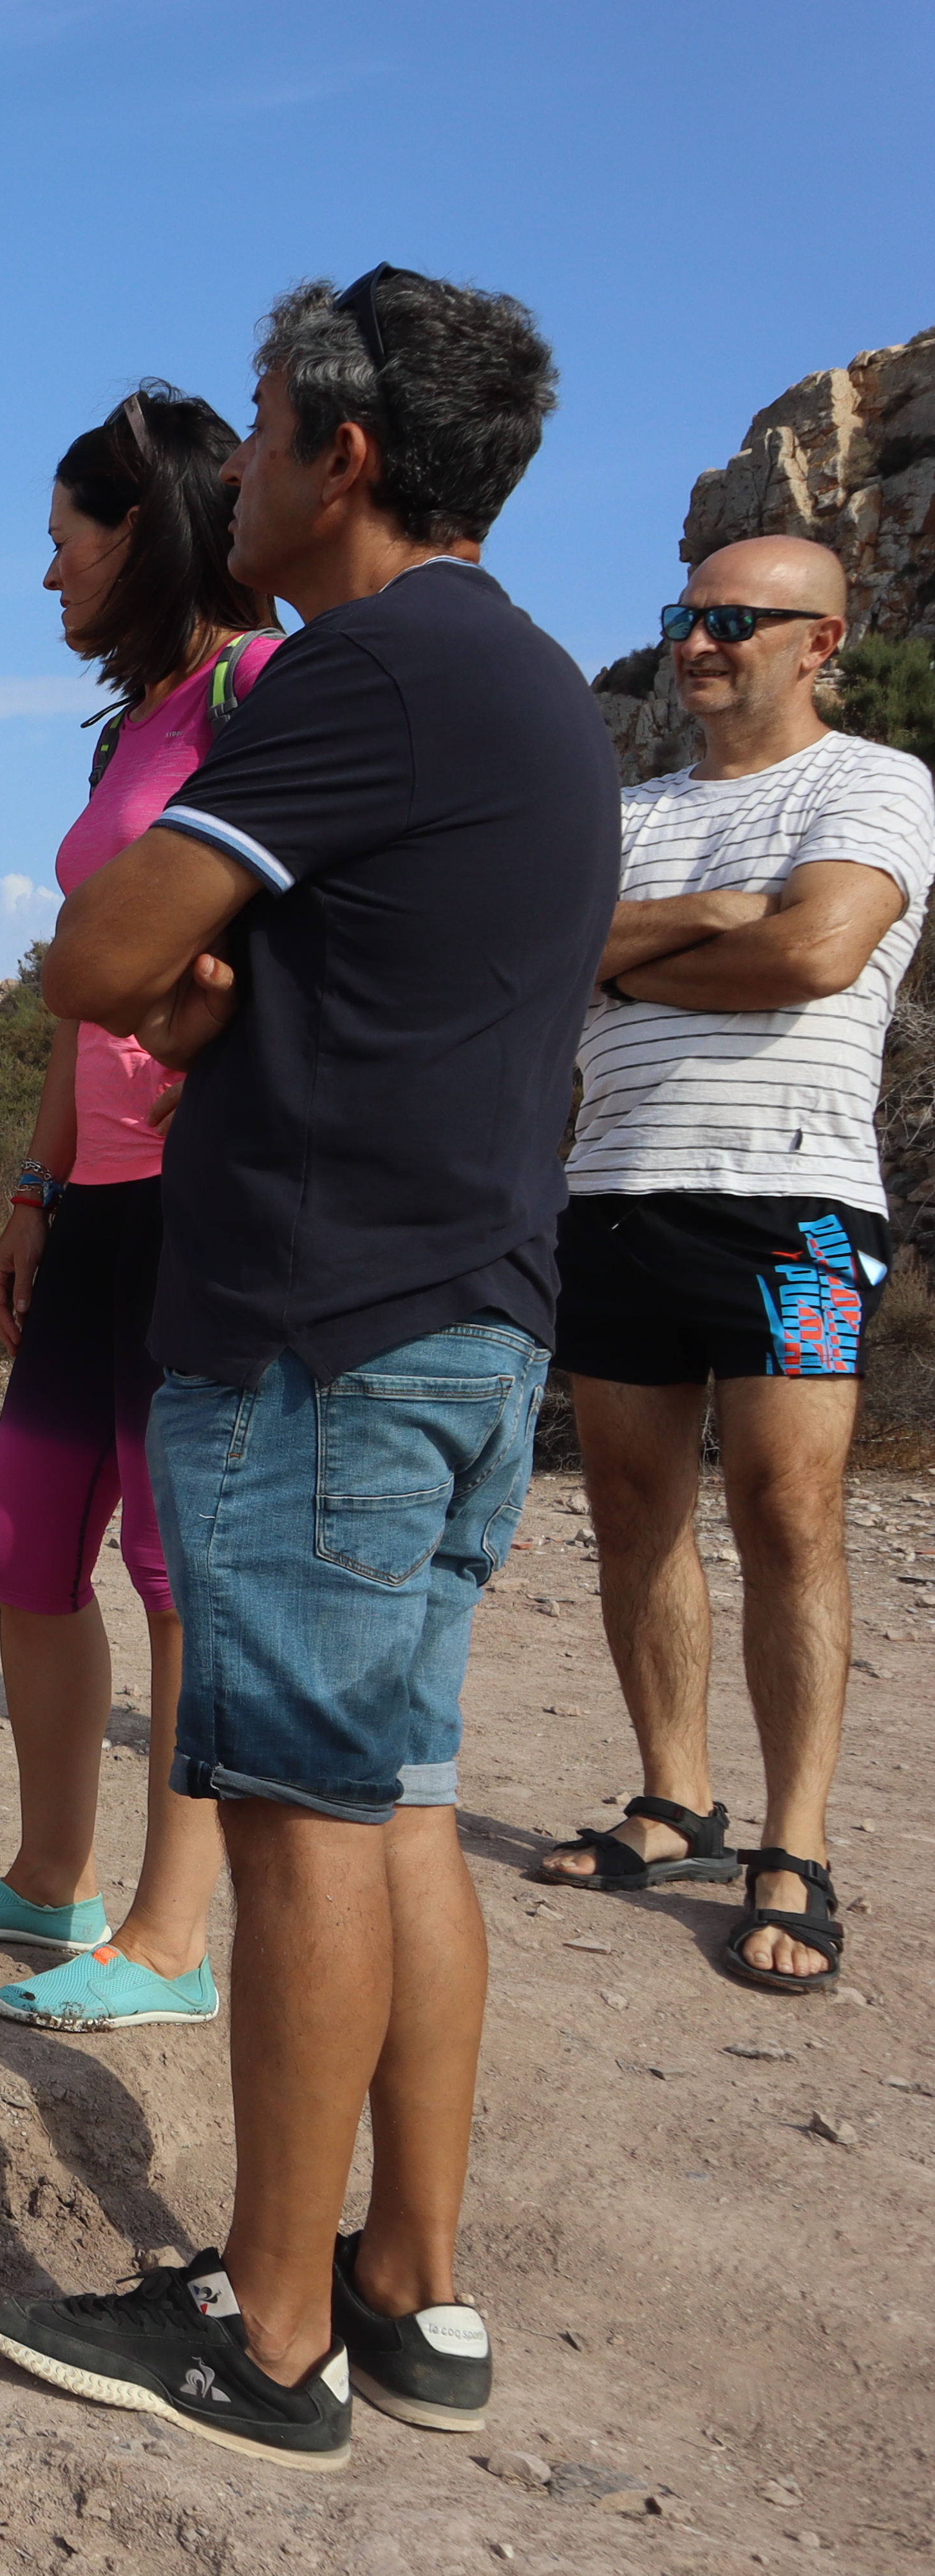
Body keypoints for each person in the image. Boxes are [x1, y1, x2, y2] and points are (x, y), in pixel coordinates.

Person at [0, 267, 610, 2472]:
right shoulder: (524, 679)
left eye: (255, 431)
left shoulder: (368, 672)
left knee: (302, 1833)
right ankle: (410, 2291)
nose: (229, 473)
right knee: (400, 1801)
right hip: (462, 1321)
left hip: (320, 1337)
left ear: (344, 460)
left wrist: (158, 977)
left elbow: (102, 949)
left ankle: (266, 2336)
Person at [0, 388, 269, 2032]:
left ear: (148, 526)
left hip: (206, 1202)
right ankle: (55, 1879)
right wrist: (34, 1185)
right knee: (23, 1542)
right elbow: (87, 981)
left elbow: (296, 936)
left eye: (64, 542)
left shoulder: (263, 685)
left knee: (181, 1570)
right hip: (97, 1192)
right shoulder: (133, 726)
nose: (47, 579)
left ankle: (173, 1944)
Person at [528, 534, 931, 1996]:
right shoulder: (622, 811)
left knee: (790, 1511)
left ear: (822, 641)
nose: (699, 641)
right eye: (685, 615)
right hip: (618, 1188)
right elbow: (546, 954)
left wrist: (627, 955)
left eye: (734, 620)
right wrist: (708, 920)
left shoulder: (876, 782)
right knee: (633, 1507)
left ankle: (797, 1842)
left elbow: (821, 951)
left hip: (801, 1209)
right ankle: (675, 1798)